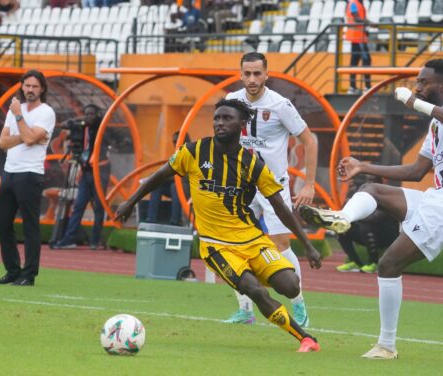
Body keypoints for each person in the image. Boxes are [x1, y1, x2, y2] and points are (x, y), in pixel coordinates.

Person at [299, 59, 443, 359]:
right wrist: (363, 166)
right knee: (371, 189)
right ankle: (342, 217)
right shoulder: (436, 125)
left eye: (424, 82)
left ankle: (386, 346)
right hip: (438, 198)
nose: (418, 86)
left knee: (388, 264)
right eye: (417, 82)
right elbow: (415, 171)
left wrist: (415, 103)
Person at [116, 98, 322, 352]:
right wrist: (129, 202)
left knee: (290, 286)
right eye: (217, 118)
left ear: (242, 124)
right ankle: (305, 338)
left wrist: (307, 245)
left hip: (253, 240)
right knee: (254, 291)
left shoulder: (252, 164)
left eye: (227, 118)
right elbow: (159, 176)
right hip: (217, 246)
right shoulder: (193, 152)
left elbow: (280, 205)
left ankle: (253, 275)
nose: (220, 123)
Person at [223, 52, 319, 327]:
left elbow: (309, 141)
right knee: (232, 244)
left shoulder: (280, 105)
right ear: (240, 74)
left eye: (257, 73)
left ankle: (299, 305)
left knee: (281, 244)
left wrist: (309, 184)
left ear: (267, 74)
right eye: (247, 73)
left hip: (272, 187)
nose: (252, 79)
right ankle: (245, 309)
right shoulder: (232, 100)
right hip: (240, 185)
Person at [0, 69, 56, 287]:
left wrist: (19, 116)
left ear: (42, 89)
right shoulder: (14, 109)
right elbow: (3, 142)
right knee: (2, 224)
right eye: (27, 85)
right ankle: (12, 270)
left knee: (30, 226)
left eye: (34, 86)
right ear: (22, 86)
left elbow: (28, 138)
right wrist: (27, 135)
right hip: (10, 172)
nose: (30, 90)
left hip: (30, 174)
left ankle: (29, 274)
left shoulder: (45, 112)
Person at [51, 104, 111, 250]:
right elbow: (65, 125)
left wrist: (88, 120)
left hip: (100, 171)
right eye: (86, 114)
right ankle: (68, 238)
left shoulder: (102, 128)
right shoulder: (83, 127)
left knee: (98, 206)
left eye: (92, 114)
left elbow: (107, 136)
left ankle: (95, 241)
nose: (88, 117)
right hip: (85, 171)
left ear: (98, 115)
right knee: (78, 206)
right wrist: (80, 119)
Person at [336, 177, 399, 273]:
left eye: (371, 181)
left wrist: (356, 216)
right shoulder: (362, 195)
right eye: (367, 181)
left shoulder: (386, 197)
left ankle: (374, 263)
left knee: (366, 226)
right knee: (342, 228)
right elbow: (347, 212)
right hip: (368, 232)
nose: (368, 184)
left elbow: (374, 218)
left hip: (387, 235)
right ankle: (355, 262)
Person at [146, 130, 190, 226]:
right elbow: (168, 172)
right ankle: (150, 219)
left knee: (175, 186)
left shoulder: (191, 155)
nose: (175, 144)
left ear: (185, 141)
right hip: (176, 188)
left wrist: (165, 177)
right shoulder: (176, 156)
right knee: (157, 185)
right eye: (173, 142)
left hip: (189, 190)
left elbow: (182, 178)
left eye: (177, 141)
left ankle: (175, 221)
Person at [345, 0, 372, 94]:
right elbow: (356, 18)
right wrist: (369, 22)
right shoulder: (353, 3)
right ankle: (366, 87)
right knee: (366, 61)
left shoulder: (357, 3)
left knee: (355, 62)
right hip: (357, 38)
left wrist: (365, 29)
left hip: (359, 37)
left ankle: (353, 87)